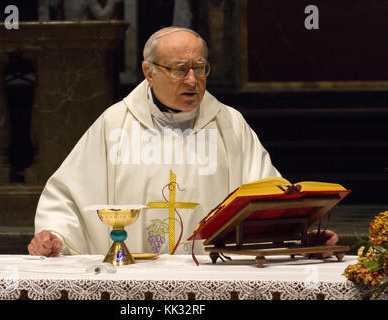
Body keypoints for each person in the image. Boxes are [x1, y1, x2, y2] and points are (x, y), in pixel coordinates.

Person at [28, 26, 338, 258]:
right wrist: (54, 237)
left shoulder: (229, 124)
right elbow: (68, 195)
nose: (192, 80)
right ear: (148, 72)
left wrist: (300, 237)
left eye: (200, 68)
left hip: (212, 279)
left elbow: (267, 195)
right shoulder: (115, 124)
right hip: (133, 281)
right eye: (179, 69)